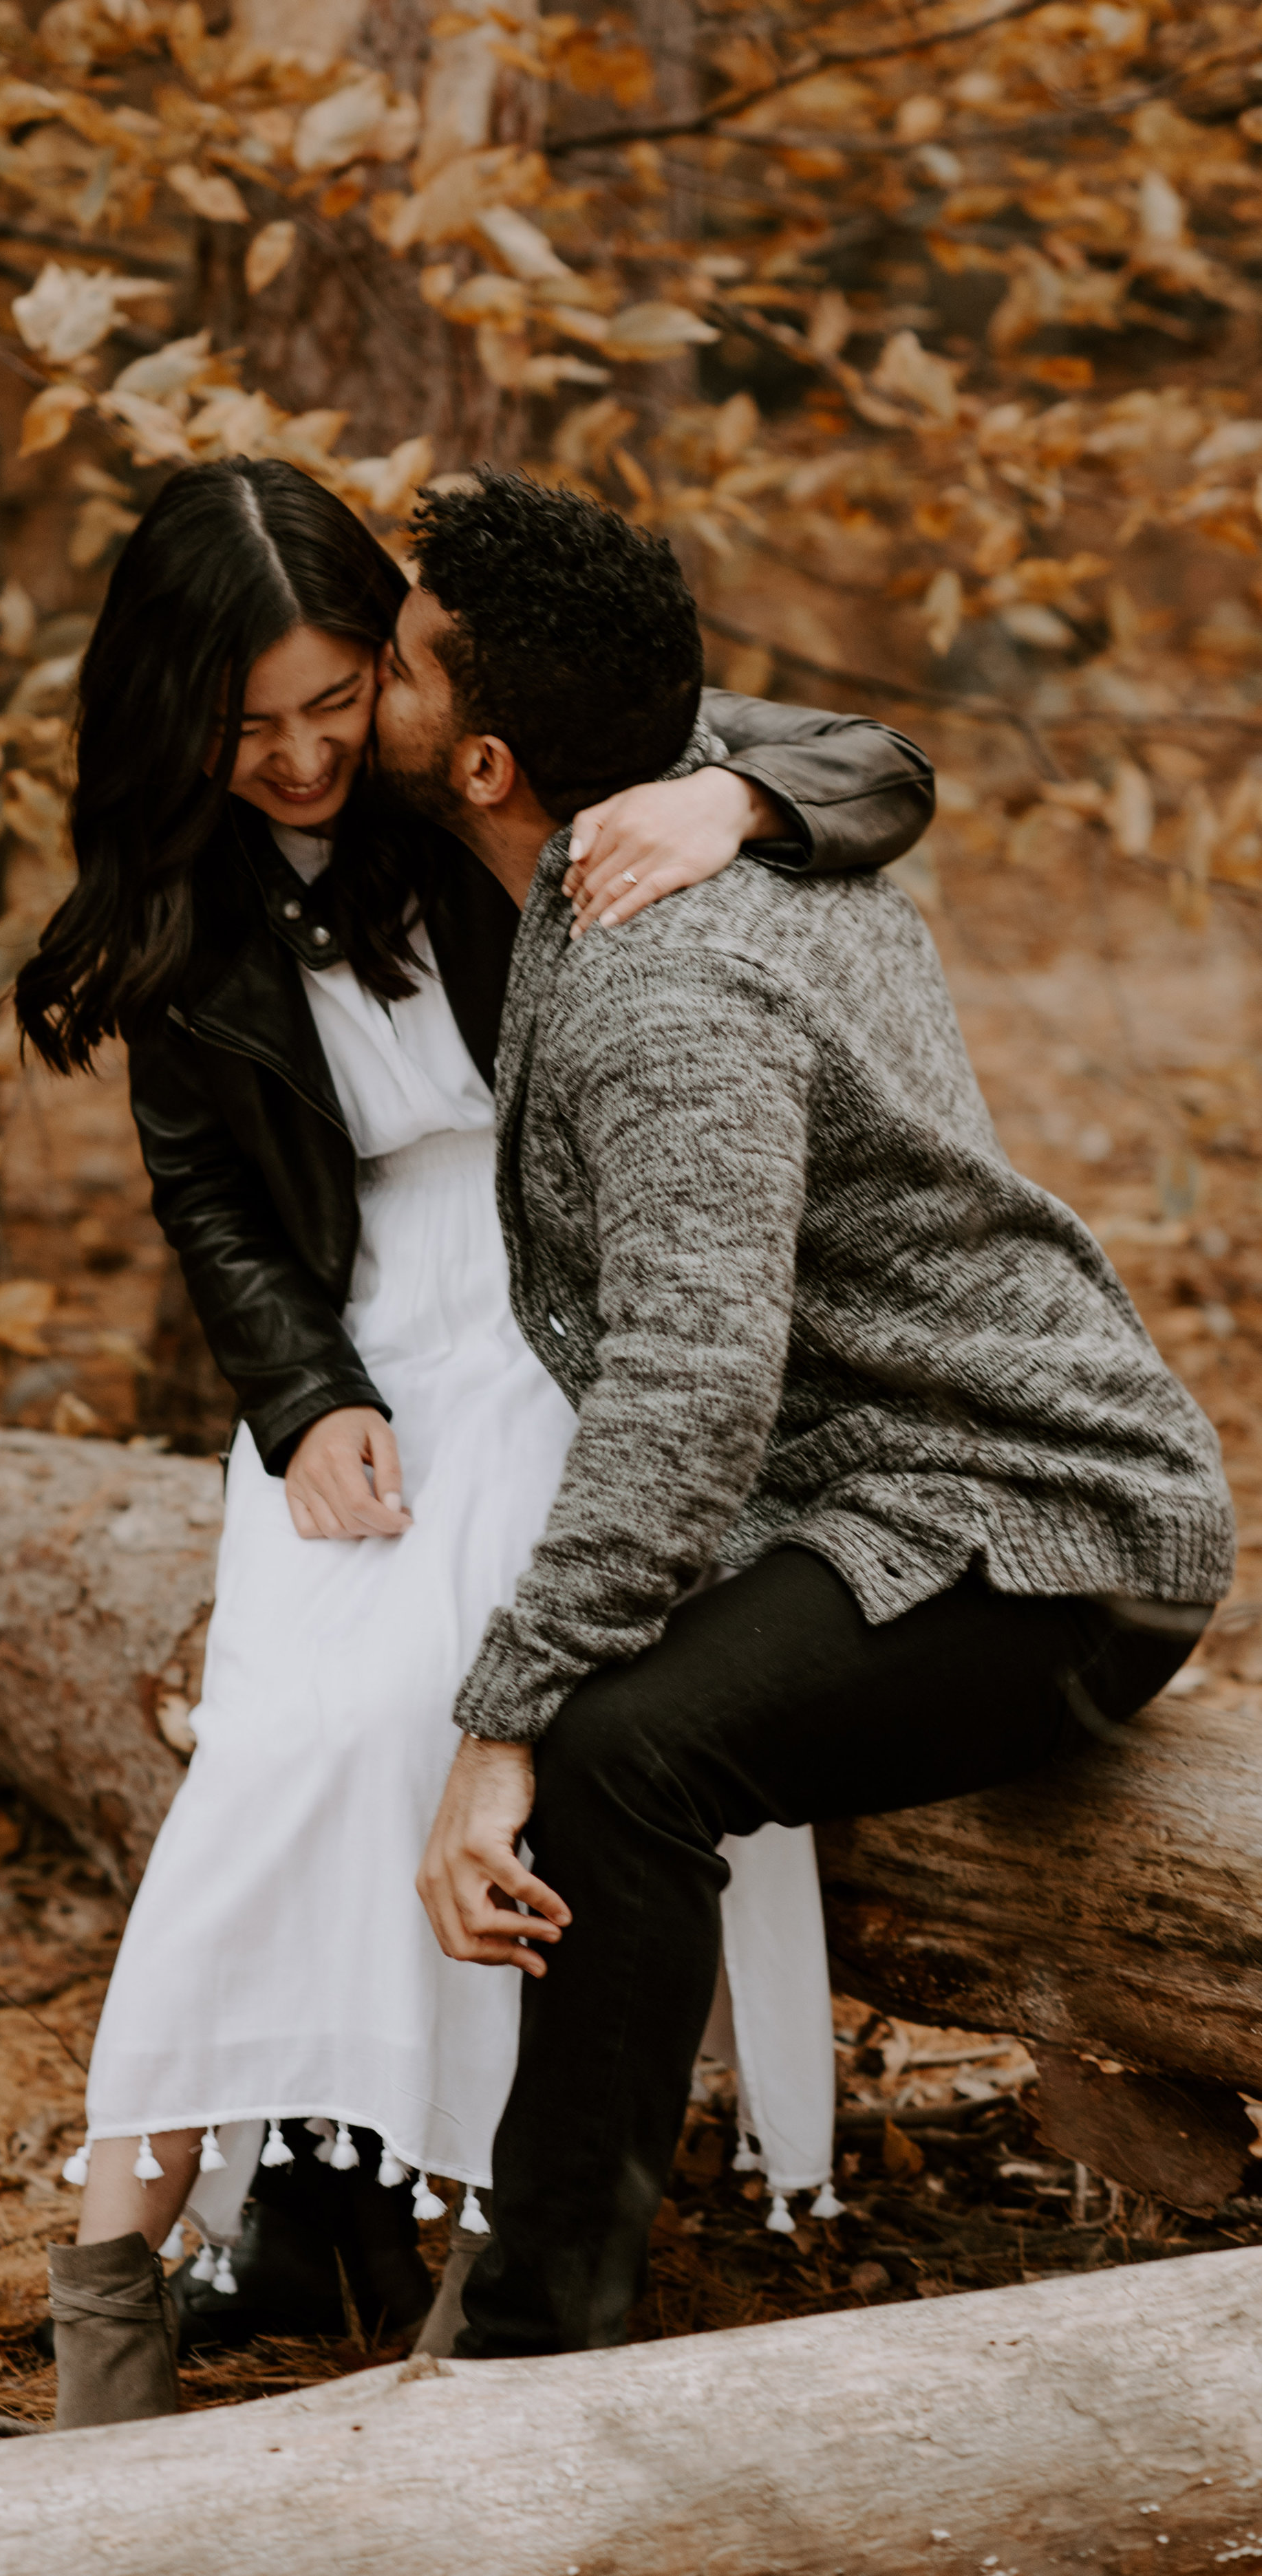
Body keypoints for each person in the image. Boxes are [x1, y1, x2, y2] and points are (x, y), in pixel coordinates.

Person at [14, 456, 938, 2429]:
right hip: (361, 1346)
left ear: (386, 667)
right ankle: (110, 2284)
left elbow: (868, 757)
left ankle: (482, 2237)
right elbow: (214, 1202)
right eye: (244, 724)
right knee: (276, 1743)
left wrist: (735, 792)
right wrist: (304, 1398)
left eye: (331, 701)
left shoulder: (490, 772)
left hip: (554, 1298)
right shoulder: (180, 874)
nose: (295, 756)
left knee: (461, 1717)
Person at [366, 468, 1236, 2359]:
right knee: (570, 1710)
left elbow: (687, 1394)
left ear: (491, 759)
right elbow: (807, 747)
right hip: (886, 1497)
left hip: (1046, 1535)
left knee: (613, 1756)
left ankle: (533, 2338)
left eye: (405, 659)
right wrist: (741, 782)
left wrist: (502, 1721)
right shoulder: (669, 817)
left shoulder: (668, 992)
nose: (369, 667)